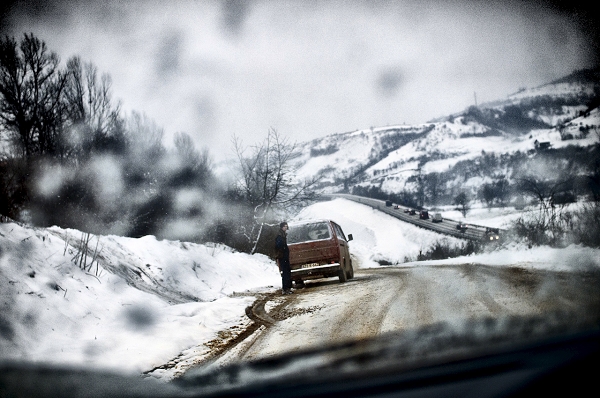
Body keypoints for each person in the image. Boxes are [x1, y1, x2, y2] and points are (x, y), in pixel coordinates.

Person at [275, 221, 292, 295]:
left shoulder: (282, 234)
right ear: (282, 227)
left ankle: (287, 288)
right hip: (283, 256)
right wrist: (284, 248)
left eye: (286, 226)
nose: (286, 227)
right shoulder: (280, 235)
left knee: (287, 272)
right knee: (285, 272)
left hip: (284, 255)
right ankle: (285, 288)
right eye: (285, 226)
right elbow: (278, 245)